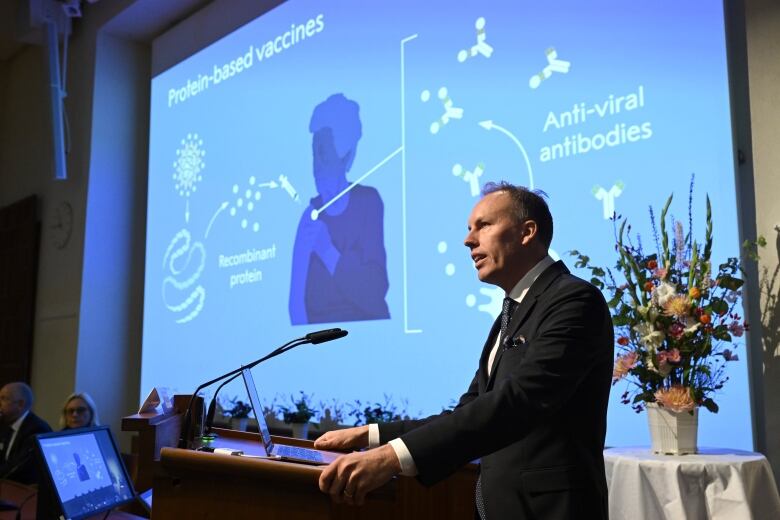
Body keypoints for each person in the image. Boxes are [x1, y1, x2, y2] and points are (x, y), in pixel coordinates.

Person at [315, 182, 613, 519]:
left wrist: (392, 457)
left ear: (527, 232)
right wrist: (372, 435)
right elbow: (470, 410)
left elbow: (519, 401)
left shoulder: (574, 301)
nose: (468, 240)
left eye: (483, 226)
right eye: (470, 229)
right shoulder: (510, 314)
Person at [289, 93, 390, 325]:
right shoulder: (310, 216)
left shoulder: (368, 202)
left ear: (347, 158)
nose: (317, 168)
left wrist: (326, 250)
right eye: (315, 156)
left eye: (325, 156)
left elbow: (374, 293)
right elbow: (296, 305)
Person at [0, 382, 53, 484]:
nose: (0, 403)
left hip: (25, 489)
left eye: (3, 399)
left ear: (20, 404)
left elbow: (17, 467)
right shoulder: (5, 423)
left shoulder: (38, 429)